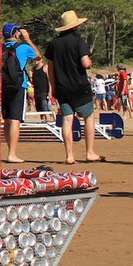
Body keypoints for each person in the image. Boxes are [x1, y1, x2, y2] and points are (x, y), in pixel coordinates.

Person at [44, 10, 103, 164]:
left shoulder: (54, 44)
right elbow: (86, 63)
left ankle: (69, 155)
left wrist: (53, 87)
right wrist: (89, 62)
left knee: (67, 120)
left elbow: (50, 68)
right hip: (79, 87)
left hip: (62, 88)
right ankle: (90, 152)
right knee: (89, 117)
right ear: (75, 26)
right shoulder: (79, 41)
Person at [0, 23, 39, 163]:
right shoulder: (23, 47)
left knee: (7, 119)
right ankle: (12, 154)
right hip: (18, 85)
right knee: (16, 118)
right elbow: (38, 57)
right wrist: (27, 39)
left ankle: (9, 150)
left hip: (2, 86)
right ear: (16, 34)